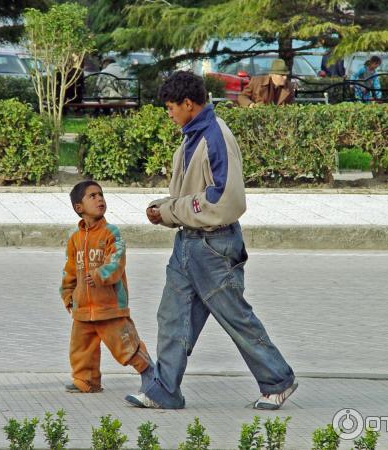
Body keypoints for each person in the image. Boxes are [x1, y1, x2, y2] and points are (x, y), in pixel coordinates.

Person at [125, 71, 297, 410]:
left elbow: (223, 202)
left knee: (236, 318)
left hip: (214, 247)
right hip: (189, 242)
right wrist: (167, 210)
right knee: (172, 317)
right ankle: (165, 391)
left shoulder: (216, 136)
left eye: (172, 107)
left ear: (189, 104)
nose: (169, 113)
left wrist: (170, 210)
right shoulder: (193, 134)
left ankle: (278, 380)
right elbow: (193, 194)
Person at [61, 180, 154, 394]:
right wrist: (68, 295)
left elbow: (116, 261)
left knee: (126, 345)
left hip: (109, 306)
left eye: (101, 195)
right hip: (83, 308)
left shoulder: (111, 233)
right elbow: (69, 270)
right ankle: (86, 380)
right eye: (92, 196)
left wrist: (100, 274)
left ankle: (150, 375)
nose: (99, 199)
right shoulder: (74, 239)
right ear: (79, 208)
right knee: (81, 348)